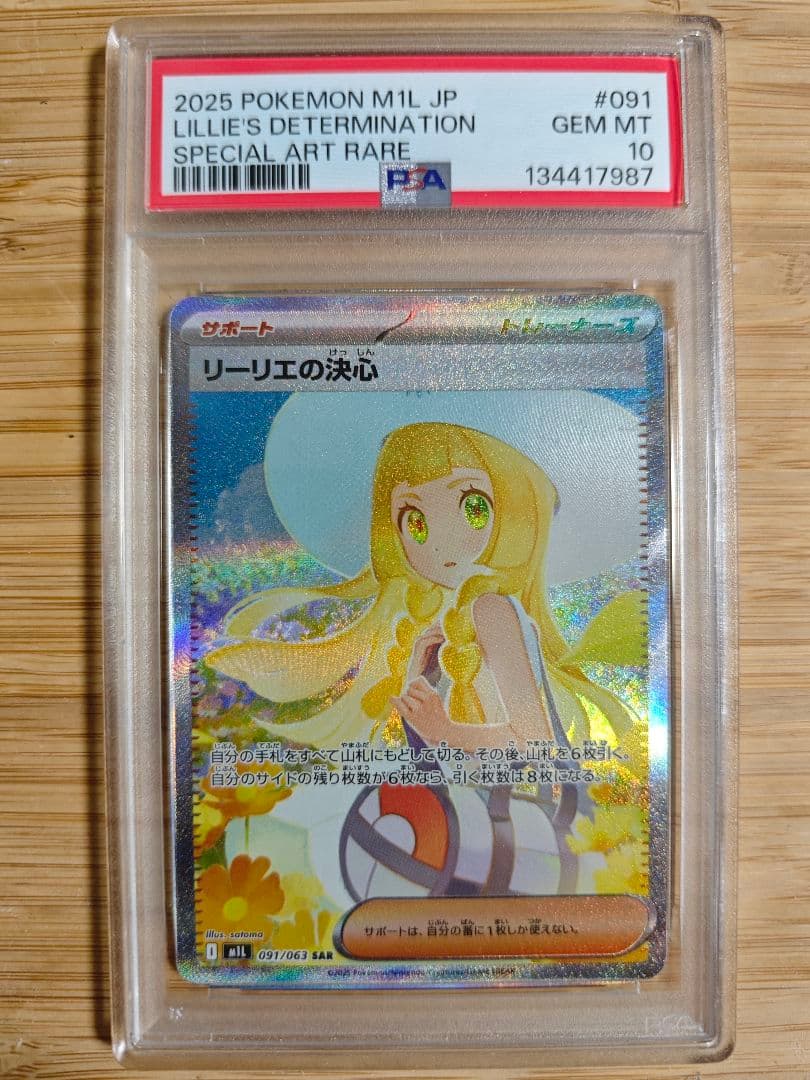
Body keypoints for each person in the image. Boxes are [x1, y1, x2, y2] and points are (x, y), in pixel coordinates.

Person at [207, 422, 644, 750]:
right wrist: (422, 679)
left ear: (517, 504)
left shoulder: (492, 609)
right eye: (415, 521)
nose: (440, 543)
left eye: (473, 507)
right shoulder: (449, 621)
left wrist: (446, 730)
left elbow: (537, 744)